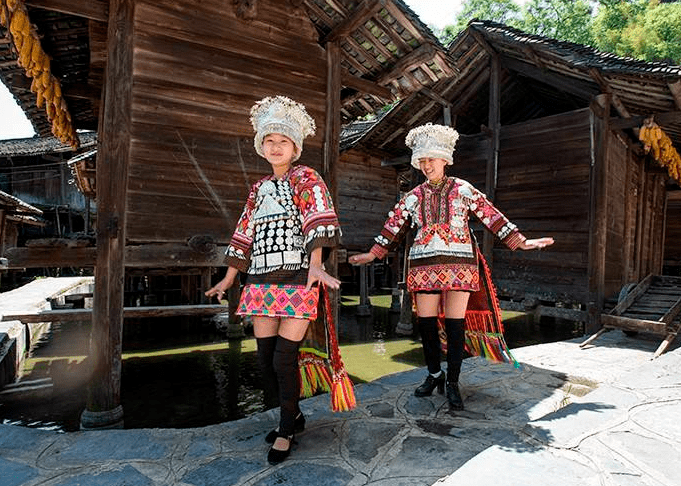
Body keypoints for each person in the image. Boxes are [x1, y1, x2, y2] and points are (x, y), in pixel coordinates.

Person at [349, 123, 554, 411]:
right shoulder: (412, 197)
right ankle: (434, 374)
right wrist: (372, 254)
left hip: (460, 265)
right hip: (422, 266)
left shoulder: (462, 189)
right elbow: (392, 227)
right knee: (427, 325)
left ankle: (453, 381)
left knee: (455, 326)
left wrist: (520, 241)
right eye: (421, 160)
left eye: (431, 159)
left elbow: (490, 215)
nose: (426, 165)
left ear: (445, 159)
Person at [206, 96, 354, 464]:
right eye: (269, 140)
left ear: (295, 147)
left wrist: (316, 265)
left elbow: (318, 217)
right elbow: (244, 233)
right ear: (261, 145)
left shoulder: (306, 177)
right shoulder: (257, 189)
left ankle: (287, 429)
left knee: (284, 361)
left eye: (282, 141)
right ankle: (295, 415)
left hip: (297, 280)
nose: (275, 146)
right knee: (265, 360)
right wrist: (228, 279)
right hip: (259, 282)